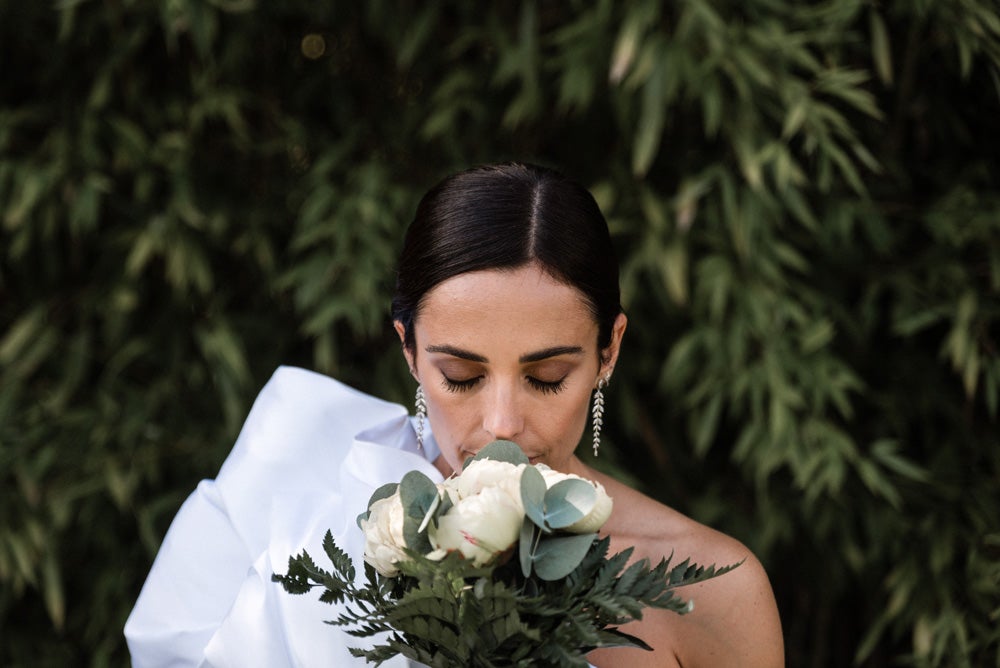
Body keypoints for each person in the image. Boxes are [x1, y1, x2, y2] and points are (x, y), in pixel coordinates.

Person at [125, 163, 784, 667]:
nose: (501, 423)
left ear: (609, 349)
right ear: (409, 351)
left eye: (546, 378)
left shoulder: (716, 591)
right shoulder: (303, 517)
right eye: (462, 377)